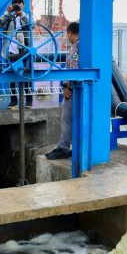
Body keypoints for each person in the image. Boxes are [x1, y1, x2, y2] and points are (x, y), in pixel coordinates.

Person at [46, 21, 79, 160]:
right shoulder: (78, 46)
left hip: (73, 90)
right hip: (76, 88)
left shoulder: (77, 47)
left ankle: (63, 148)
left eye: (68, 34)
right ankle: (68, 147)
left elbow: (73, 68)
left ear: (70, 33)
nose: (68, 37)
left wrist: (66, 87)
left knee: (66, 118)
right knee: (72, 119)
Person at [0, 0, 32, 109]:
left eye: (19, 3)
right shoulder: (9, 17)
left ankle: (29, 101)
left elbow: (31, 25)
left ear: (23, 5)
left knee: (26, 74)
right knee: (11, 75)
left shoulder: (26, 16)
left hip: (25, 49)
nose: (18, 6)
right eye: (15, 4)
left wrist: (21, 14)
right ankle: (13, 101)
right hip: (11, 49)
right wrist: (7, 12)